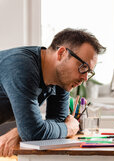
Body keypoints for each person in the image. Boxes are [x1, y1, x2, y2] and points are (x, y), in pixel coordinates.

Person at [0, 28, 106, 157]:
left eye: (89, 72)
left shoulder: (61, 79)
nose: (84, 78)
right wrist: (69, 128)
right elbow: (34, 133)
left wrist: (20, 132)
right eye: (83, 67)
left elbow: (58, 121)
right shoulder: (22, 67)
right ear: (61, 53)